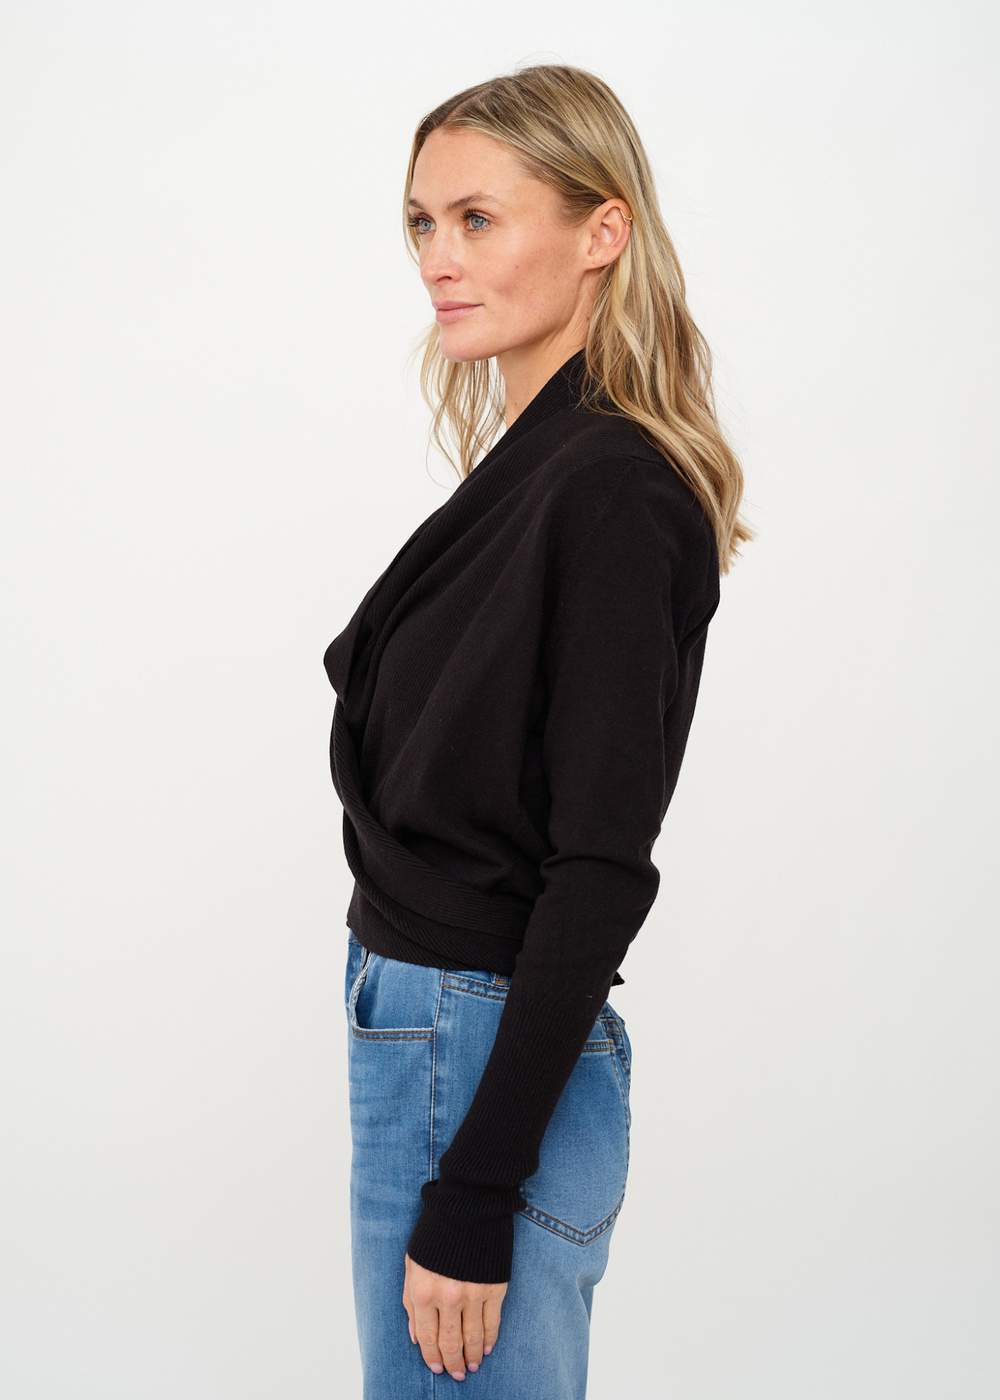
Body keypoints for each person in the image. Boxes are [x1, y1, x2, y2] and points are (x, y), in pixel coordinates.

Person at [324, 64, 749, 1399]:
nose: (437, 259)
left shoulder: (611, 489)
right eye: (421, 223)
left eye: (478, 220)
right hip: (441, 1033)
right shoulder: (539, 467)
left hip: (480, 1052)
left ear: (601, 232)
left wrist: (475, 1192)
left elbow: (599, 866)